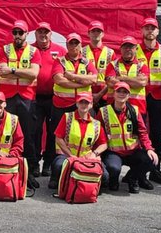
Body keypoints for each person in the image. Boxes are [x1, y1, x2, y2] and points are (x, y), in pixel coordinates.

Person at [0, 20, 41, 186]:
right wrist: (22, 73)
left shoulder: (33, 51)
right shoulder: (5, 49)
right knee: (8, 134)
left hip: (26, 98)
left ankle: (30, 170)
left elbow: (33, 74)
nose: (17, 35)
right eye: (15, 32)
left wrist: (13, 71)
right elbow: (2, 71)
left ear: (27, 34)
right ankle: (8, 167)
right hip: (8, 98)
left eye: (20, 33)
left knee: (27, 135)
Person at [49, 32, 97, 176]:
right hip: (62, 105)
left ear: (81, 46)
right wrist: (81, 83)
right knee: (58, 139)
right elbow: (59, 80)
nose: (73, 46)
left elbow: (93, 79)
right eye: (71, 43)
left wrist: (73, 77)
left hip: (83, 106)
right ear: (67, 45)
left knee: (86, 135)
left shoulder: (88, 62)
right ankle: (56, 173)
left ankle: (86, 168)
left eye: (76, 43)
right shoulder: (60, 61)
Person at [96, 82, 158, 193]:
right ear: (113, 94)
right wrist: (97, 154)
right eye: (118, 91)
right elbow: (98, 135)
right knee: (114, 169)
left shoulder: (134, 111)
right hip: (113, 152)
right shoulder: (103, 112)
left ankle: (133, 179)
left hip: (132, 151)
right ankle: (113, 180)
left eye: (125, 92)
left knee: (151, 160)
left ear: (129, 95)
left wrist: (149, 149)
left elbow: (142, 132)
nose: (121, 94)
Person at [135, 17, 161, 183]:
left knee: (157, 135)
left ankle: (155, 171)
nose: (150, 31)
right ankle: (139, 172)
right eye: (147, 28)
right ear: (142, 31)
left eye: (153, 28)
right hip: (139, 99)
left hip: (157, 98)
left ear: (157, 31)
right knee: (140, 135)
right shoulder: (135, 49)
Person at [48, 91, 107, 190]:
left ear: (91, 105)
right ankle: (55, 178)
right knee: (58, 166)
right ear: (76, 103)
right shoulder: (67, 117)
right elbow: (58, 138)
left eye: (86, 103)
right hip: (67, 155)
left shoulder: (96, 123)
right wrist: (70, 155)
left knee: (105, 176)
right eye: (81, 102)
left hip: (86, 158)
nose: (84, 105)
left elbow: (104, 144)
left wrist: (94, 154)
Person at [32, 22, 67, 177]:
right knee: (35, 131)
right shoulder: (30, 49)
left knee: (53, 132)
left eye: (46, 32)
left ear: (51, 34)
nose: (43, 35)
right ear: (35, 34)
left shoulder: (60, 51)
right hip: (34, 97)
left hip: (54, 97)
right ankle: (34, 164)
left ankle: (48, 163)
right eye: (40, 32)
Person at [105, 36, 149, 116]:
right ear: (120, 49)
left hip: (138, 109)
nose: (128, 49)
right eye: (125, 47)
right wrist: (134, 80)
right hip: (115, 109)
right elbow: (111, 83)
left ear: (136, 49)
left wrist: (119, 78)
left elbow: (141, 83)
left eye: (131, 47)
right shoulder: (112, 65)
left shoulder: (142, 66)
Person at [82, 20, 115, 108]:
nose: (96, 33)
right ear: (88, 33)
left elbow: (113, 79)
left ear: (103, 34)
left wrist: (99, 95)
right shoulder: (82, 52)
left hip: (105, 96)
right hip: (86, 95)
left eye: (98, 31)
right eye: (93, 31)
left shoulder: (110, 53)